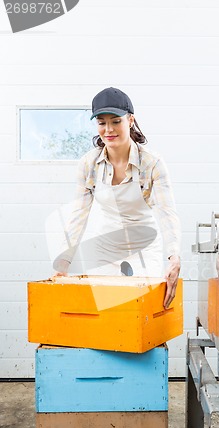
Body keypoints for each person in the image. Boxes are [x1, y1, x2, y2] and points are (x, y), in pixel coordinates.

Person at [53, 87, 181, 308]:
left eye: (115, 121)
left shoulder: (152, 163)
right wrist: (62, 264)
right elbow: (78, 216)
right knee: (106, 308)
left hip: (144, 242)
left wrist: (174, 258)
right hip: (106, 243)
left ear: (130, 120)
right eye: (102, 123)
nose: (108, 129)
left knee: (142, 306)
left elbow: (166, 213)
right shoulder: (89, 164)